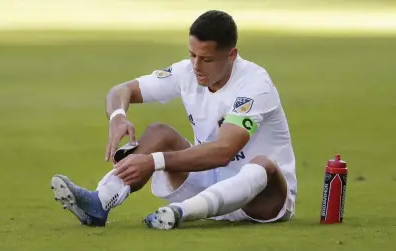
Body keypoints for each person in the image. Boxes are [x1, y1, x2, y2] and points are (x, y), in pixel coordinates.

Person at [50, 10, 297, 230]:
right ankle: (99, 203)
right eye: (192, 55)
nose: (196, 66)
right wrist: (117, 116)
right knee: (159, 133)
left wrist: (153, 162)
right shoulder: (187, 71)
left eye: (207, 59)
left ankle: (182, 212)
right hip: (209, 182)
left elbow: (224, 151)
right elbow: (121, 90)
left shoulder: (254, 85)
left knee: (262, 164)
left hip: (263, 201)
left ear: (231, 55)